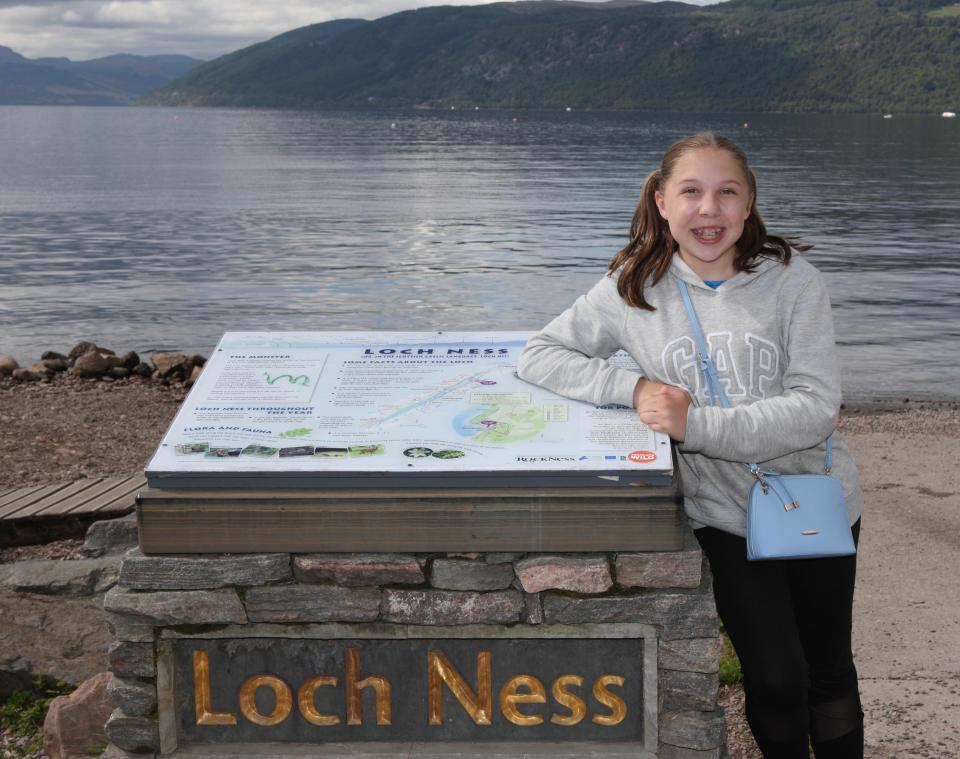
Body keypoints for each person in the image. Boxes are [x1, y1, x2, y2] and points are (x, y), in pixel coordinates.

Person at [517, 132, 864, 758]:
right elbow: (541, 354)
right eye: (692, 192)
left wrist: (692, 425)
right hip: (725, 514)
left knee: (829, 670)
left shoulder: (793, 282)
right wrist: (633, 386)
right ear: (661, 200)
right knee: (777, 678)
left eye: (728, 192)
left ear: (750, 200)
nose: (711, 210)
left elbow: (815, 409)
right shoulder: (632, 286)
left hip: (817, 499)